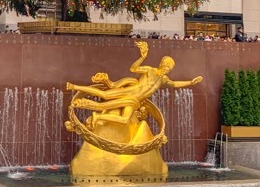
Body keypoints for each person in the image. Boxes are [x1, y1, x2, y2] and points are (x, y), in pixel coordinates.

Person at [66, 40, 202, 127]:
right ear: (162, 64)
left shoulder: (163, 79)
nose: (167, 69)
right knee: (105, 95)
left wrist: (190, 82)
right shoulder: (150, 70)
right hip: (131, 91)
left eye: (170, 68)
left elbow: (174, 84)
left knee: (124, 119)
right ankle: (74, 87)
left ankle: (98, 116)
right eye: (167, 66)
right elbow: (133, 69)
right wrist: (142, 57)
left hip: (135, 101)